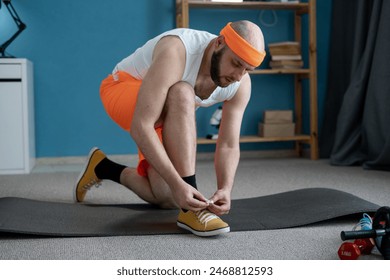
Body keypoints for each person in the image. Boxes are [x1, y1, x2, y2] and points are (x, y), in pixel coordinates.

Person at [74, 20, 265, 237]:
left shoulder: (240, 84)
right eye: (236, 63)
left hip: (161, 108)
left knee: (166, 197)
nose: (238, 76)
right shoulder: (178, 50)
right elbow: (141, 125)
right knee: (182, 91)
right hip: (121, 89)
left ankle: (103, 168)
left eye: (247, 69)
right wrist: (180, 183)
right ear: (219, 43)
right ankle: (191, 211)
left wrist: (225, 188)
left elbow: (229, 144)